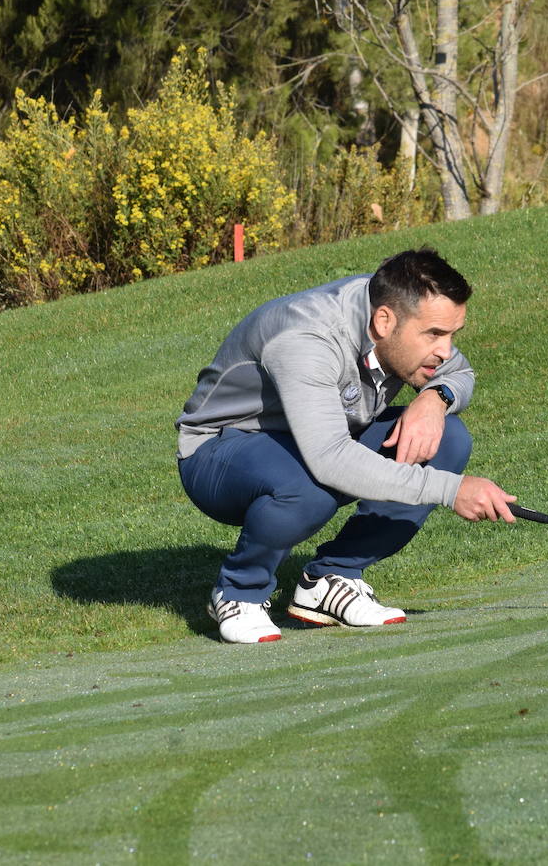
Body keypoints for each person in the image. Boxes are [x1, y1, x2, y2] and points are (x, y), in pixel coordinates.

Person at [176, 247, 517, 643]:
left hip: (315, 441)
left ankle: (330, 579)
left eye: (452, 334)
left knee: (449, 438)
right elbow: (330, 460)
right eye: (436, 334)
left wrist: (434, 399)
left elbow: (460, 372)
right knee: (308, 488)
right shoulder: (306, 337)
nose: (444, 349)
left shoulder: (398, 317)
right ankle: (238, 592)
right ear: (385, 320)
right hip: (220, 452)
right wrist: (450, 489)